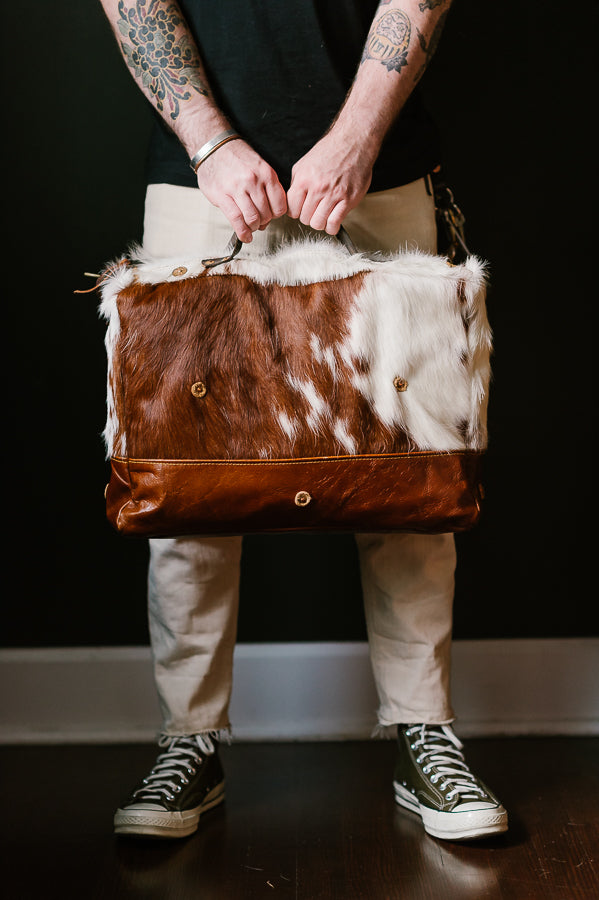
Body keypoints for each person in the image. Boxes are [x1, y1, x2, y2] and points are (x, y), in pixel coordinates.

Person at [99, 0, 508, 842]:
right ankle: (189, 740)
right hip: (199, 179)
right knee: (187, 480)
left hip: (383, 167)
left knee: (410, 473)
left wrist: (357, 136)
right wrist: (211, 145)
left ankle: (422, 732)